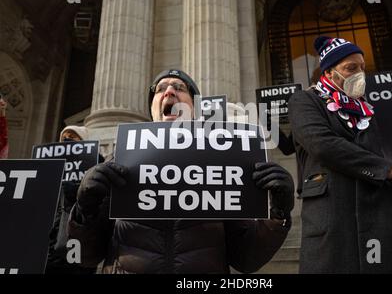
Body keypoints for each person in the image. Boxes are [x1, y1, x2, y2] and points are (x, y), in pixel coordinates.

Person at [67, 69, 295, 274]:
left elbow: (248, 260)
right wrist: (84, 210)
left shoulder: (220, 165)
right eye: (160, 89)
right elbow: (83, 256)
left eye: (179, 88)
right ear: (152, 109)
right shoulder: (118, 163)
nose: (168, 92)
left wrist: (278, 214)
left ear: (194, 108)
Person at [288, 36, 392, 274]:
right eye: (350, 68)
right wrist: (388, 170)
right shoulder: (305, 101)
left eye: (361, 67)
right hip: (333, 218)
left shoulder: (369, 108)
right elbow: (323, 145)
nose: (359, 74)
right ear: (329, 73)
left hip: (380, 216)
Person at [46, 125, 97, 274]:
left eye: (73, 136)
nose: (67, 139)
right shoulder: (51, 167)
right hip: (51, 240)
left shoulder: (96, 164)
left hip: (80, 239)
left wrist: (75, 190)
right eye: (64, 137)